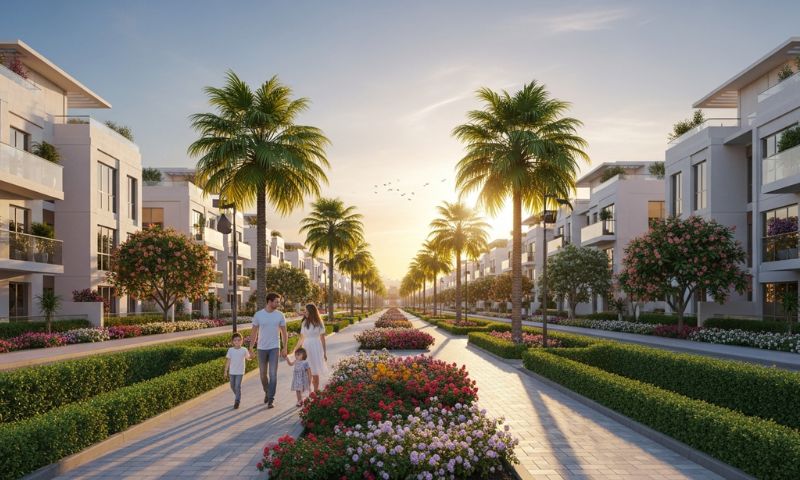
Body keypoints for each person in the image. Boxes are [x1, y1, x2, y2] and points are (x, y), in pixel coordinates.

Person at [250, 292, 288, 408]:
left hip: (274, 348)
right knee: (262, 374)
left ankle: (271, 398)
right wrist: (251, 348)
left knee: (273, 374)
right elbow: (254, 332)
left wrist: (285, 347)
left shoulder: (280, 315)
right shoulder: (258, 315)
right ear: (269, 302)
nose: (278, 303)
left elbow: (284, 333)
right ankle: (267, 391)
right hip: (261, 348)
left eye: (278, 301)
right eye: (276, 301)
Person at [293, 303, 327, 392]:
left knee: (315, 370)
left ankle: (316, 391)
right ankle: (309, 391)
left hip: (316, 347)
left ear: (311, 312)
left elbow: (322, 338)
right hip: (306, 347)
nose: (305, 313)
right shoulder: (304, 322)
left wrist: (324, 353)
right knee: (307, 370)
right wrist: (296, 349)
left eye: (306, 311)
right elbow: (301, 337)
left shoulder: (319, 322)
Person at [224, 332, 251, 409]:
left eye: (239, 340)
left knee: (237, 386)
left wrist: (251, 357)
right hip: (232, 371)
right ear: (232, 341)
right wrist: (225, 370)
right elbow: (228, 361)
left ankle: (237, 401)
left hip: (240, 372)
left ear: (242, 341)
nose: (237, 342)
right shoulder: (230, 350)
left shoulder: (244, 350)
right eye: (235, 340)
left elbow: (248, 358)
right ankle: (238, 395)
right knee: (232, 386)